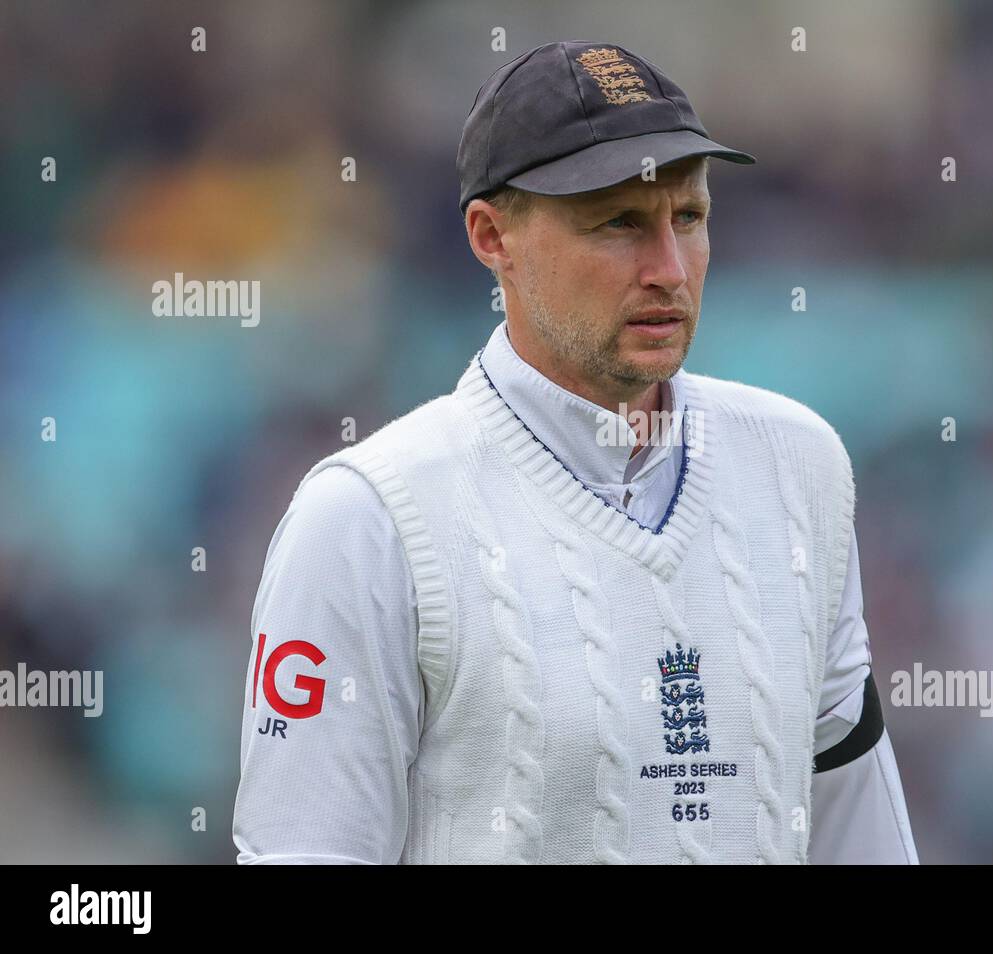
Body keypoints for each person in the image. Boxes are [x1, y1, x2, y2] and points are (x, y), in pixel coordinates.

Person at [233, 40, 917, 864]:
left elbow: (860, 835)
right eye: (619, 223)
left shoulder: (801, 464)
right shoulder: (364, 517)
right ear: (492, 237)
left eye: (689, 218)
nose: (669, 268)